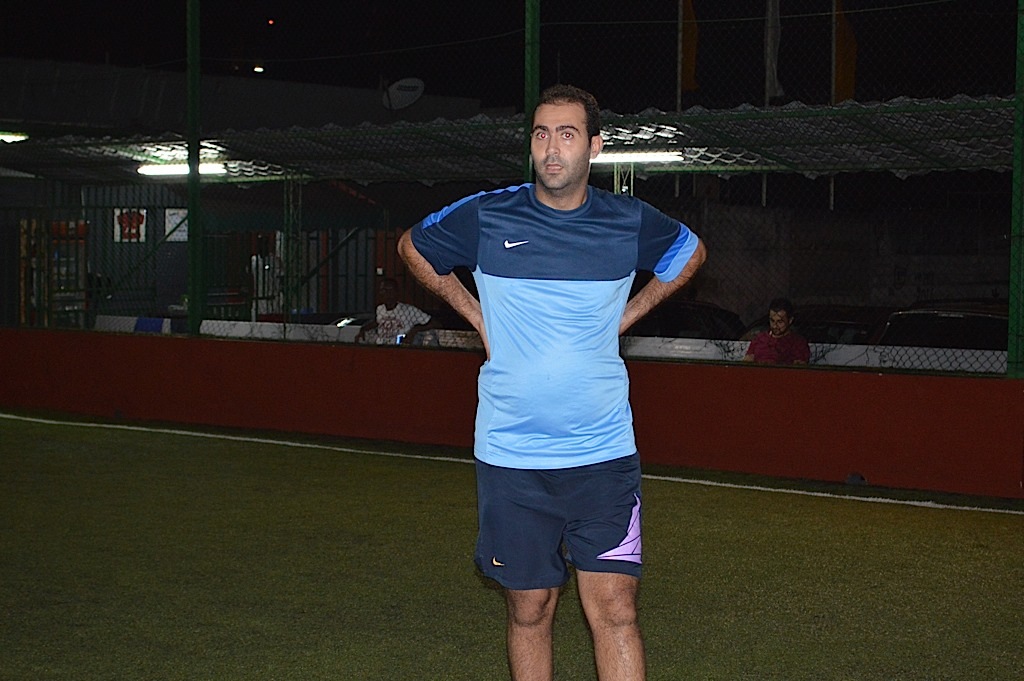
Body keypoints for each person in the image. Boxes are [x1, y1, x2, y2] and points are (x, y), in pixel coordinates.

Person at [398, 84, 706, 681]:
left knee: (616, 609)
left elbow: (690, 253)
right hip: (512, 458)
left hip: (604, 456)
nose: (552, 148)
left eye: (567, 134)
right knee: (530, 609)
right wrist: (476, 314)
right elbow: (413, 247)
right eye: (541, 134)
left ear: (595, 146)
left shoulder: (628, 221)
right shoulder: (488, 215)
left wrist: (628, 315)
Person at [353, 277, 439, 345]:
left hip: (400, 346)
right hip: (381, 345)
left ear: (396, 292)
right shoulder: (380, 309)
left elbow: (435, 323)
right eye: (383, 290)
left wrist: (415, 330)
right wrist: (364, 329)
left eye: (390, 290)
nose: (387, 294)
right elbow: (378, 321)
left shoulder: (408, 310)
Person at [742, 297, 810, 364]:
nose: (775, 326)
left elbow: (799, 367)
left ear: (790, 320)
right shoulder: (759, 339)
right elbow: (747, 363)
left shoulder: (798, 343)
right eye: (772, 321)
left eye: (780, 322)